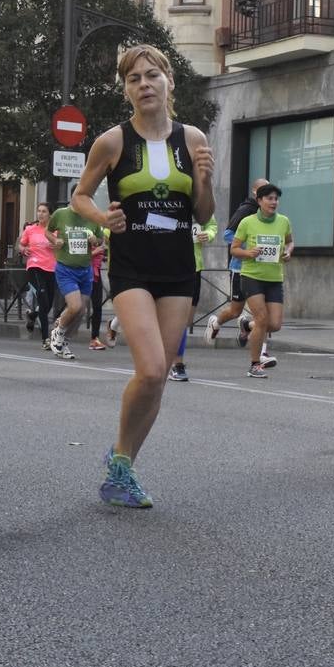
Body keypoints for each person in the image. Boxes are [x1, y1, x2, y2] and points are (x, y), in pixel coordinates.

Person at [71, 43, 215, 508]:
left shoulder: (192, 139)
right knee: (150, 367)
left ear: (169, 81)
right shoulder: (113, 142)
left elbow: (203, 211)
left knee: (160, 375)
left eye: (152, 76)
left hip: (179, 267)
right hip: (132, 266)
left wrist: (207, 182)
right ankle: (120, 460)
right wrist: (101, 218)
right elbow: (80, 196)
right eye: (134, 79)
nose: (144, 85)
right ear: (126, 89)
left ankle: (122, 465)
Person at [229, 184, 293, 379]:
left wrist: (288, 251)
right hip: (251, 276)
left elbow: (290, 241)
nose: (273, 202)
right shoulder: (247, 222)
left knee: (274, 324)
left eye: (276, 199)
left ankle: (247, 325)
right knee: (263, 319)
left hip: (274, 278)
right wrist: (248, 253)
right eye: (269, 198)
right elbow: (234, 249)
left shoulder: (283, 221)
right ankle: (255, 364)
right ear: (259, 201)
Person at [45, 204, 101, 361]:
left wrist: (94, 240)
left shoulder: (92, 216)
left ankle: (64, 343)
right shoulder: (61, 214)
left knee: (81, 311)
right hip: (66, 269)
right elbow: (47, 231)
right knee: (75, 306)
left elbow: (100, 240)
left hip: (85, 269)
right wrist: (55, 240)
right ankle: (59, 331)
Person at [169, 214, 218, 381]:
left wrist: (209, 234)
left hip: (193, 267)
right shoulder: (169, 203)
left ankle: (172, 358)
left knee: (186, 321)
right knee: (174, 319)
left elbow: (211, 224)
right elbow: (150, 221)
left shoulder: (198, 205)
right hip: (168, 266)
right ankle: (177, 364)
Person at [19, 204, 57, 347]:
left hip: (51, 268)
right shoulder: (30, 229)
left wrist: (58, 245)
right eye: (39, 211)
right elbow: (21, 245)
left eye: (44, 212)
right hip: (34, 267)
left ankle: (33, 315)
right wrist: (24, 250)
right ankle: (45, 339)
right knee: (43, 299)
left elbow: (61, 245)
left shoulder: (55, 231)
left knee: (49, 302)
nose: (40, 214)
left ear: (50, 215)